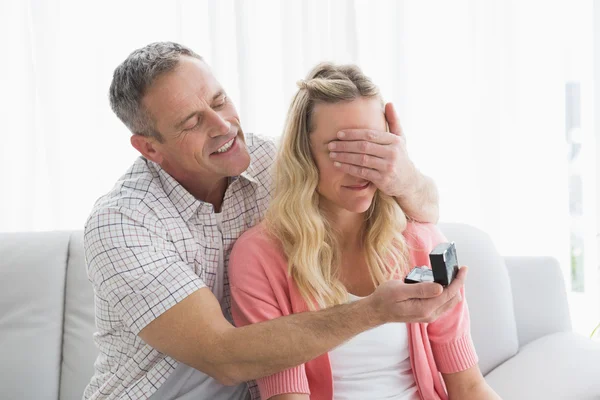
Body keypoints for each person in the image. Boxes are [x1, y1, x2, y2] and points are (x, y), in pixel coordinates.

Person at [83, 42, 449, 400]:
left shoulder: (273, 162)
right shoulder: (122, 224)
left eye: (219, 101)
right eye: (192, 122)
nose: (223, 126)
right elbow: (223, 357)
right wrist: (373, 311)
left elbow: (425, 215)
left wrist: (402, 177)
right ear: (150, 148)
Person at [229, 63, 501, 400]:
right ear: (305, 154)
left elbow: (468, 387)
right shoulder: (259, 257)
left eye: (373, 148)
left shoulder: (420, 241)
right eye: (340, 150)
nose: (361, 167)